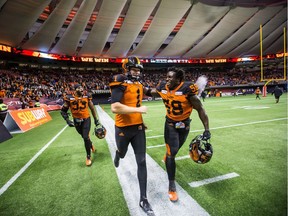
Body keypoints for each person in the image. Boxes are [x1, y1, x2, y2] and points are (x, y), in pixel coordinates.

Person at [146, 67, 211, 202]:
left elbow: (200, 109)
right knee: (171, 154)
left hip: (184, 125)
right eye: (167, 77)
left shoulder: (187, 90)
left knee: (176, 149)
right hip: (170, 125)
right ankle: (171, 185)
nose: (168, 79)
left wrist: (207, 130)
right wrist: (141, 89)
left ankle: (169, 154)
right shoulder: (163, 86)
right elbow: (152, 92)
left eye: (171, 77)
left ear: (179, 79)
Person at [109, 57, 154, 215]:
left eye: (138, 69)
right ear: (126, 69)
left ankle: (143, 199)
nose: (137, 72)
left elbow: (150, 92)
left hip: (138, 128)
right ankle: (118, 153)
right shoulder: (119, 80)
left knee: (141, 161)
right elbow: (115, 107)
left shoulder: (139, 84)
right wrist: (138, 111)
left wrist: (168, 89)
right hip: (122, 128)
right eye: (134, 69)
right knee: (122, 153)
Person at [60, 84, 100, 166]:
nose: (82, 90)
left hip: (86, 119)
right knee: (84, 137)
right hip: (76, 121)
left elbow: (92, 108)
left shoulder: (86, 96)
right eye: (79, 88)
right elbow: (63, 111)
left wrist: (96, 119)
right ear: (74, 90)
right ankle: (91, 144)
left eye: (82, 88)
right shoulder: (69, 98)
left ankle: (88, 157)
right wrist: (67, 120)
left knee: (85, 137)